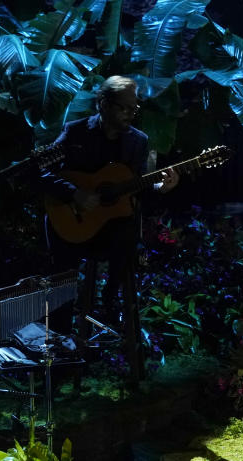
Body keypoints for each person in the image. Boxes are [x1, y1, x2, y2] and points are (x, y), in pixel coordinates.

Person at [40, 76, 179, 376]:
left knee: (128, 233)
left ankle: (109, 304)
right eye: (124, 108)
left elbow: (141, 186)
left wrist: (160, 187)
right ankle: (62, 358)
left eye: (134, 108)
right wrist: (74, 193)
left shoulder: (138, 142)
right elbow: (41, 174)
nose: (130, 114)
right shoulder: (74, 134)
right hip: (71, 228)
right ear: (103, 104)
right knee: (63, 281)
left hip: (110, 233)